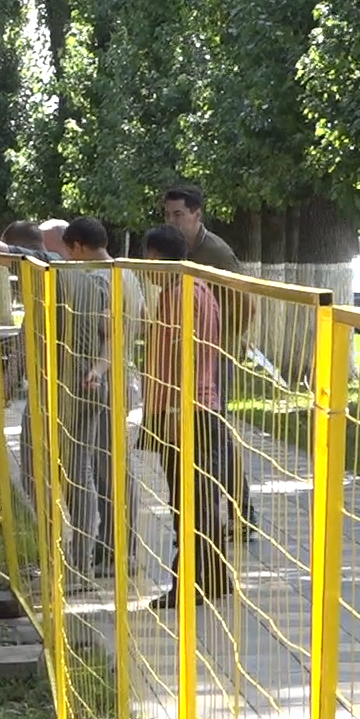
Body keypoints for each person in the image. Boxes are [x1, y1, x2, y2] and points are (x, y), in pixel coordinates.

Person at [141, 224, 234, 608]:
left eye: (147, 260)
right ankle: (215, 577)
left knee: (189, 501)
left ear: (160, 259)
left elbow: (188, 356)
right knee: (199, 497)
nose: (145, 268)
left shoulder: (181, 296)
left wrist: (176, 410)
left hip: (187, 411)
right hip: (193, 408)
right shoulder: (191, 290)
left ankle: (191, 583)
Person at [163, 185, 254, 540]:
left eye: (179, 215)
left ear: (198, 214)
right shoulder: (179, 251)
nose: (171, 221)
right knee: (207, 436)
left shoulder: (214, 252)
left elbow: (245, 302)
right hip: (191, 356)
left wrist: (223, 342)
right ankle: (219, 516)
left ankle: (227, 515)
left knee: (212, 435)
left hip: (213, 359)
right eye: (167, 214)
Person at [60, 217, 144, 577]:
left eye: (68, 251)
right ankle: (120, 548)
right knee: (115, 468)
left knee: (96, 470)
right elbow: (143, 319)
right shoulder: (126, 274)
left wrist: (97, 368)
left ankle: (111, 550)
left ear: (78, 246)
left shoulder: (94, 279)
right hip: (122, 376)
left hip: (99, 379)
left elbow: (105, 331)